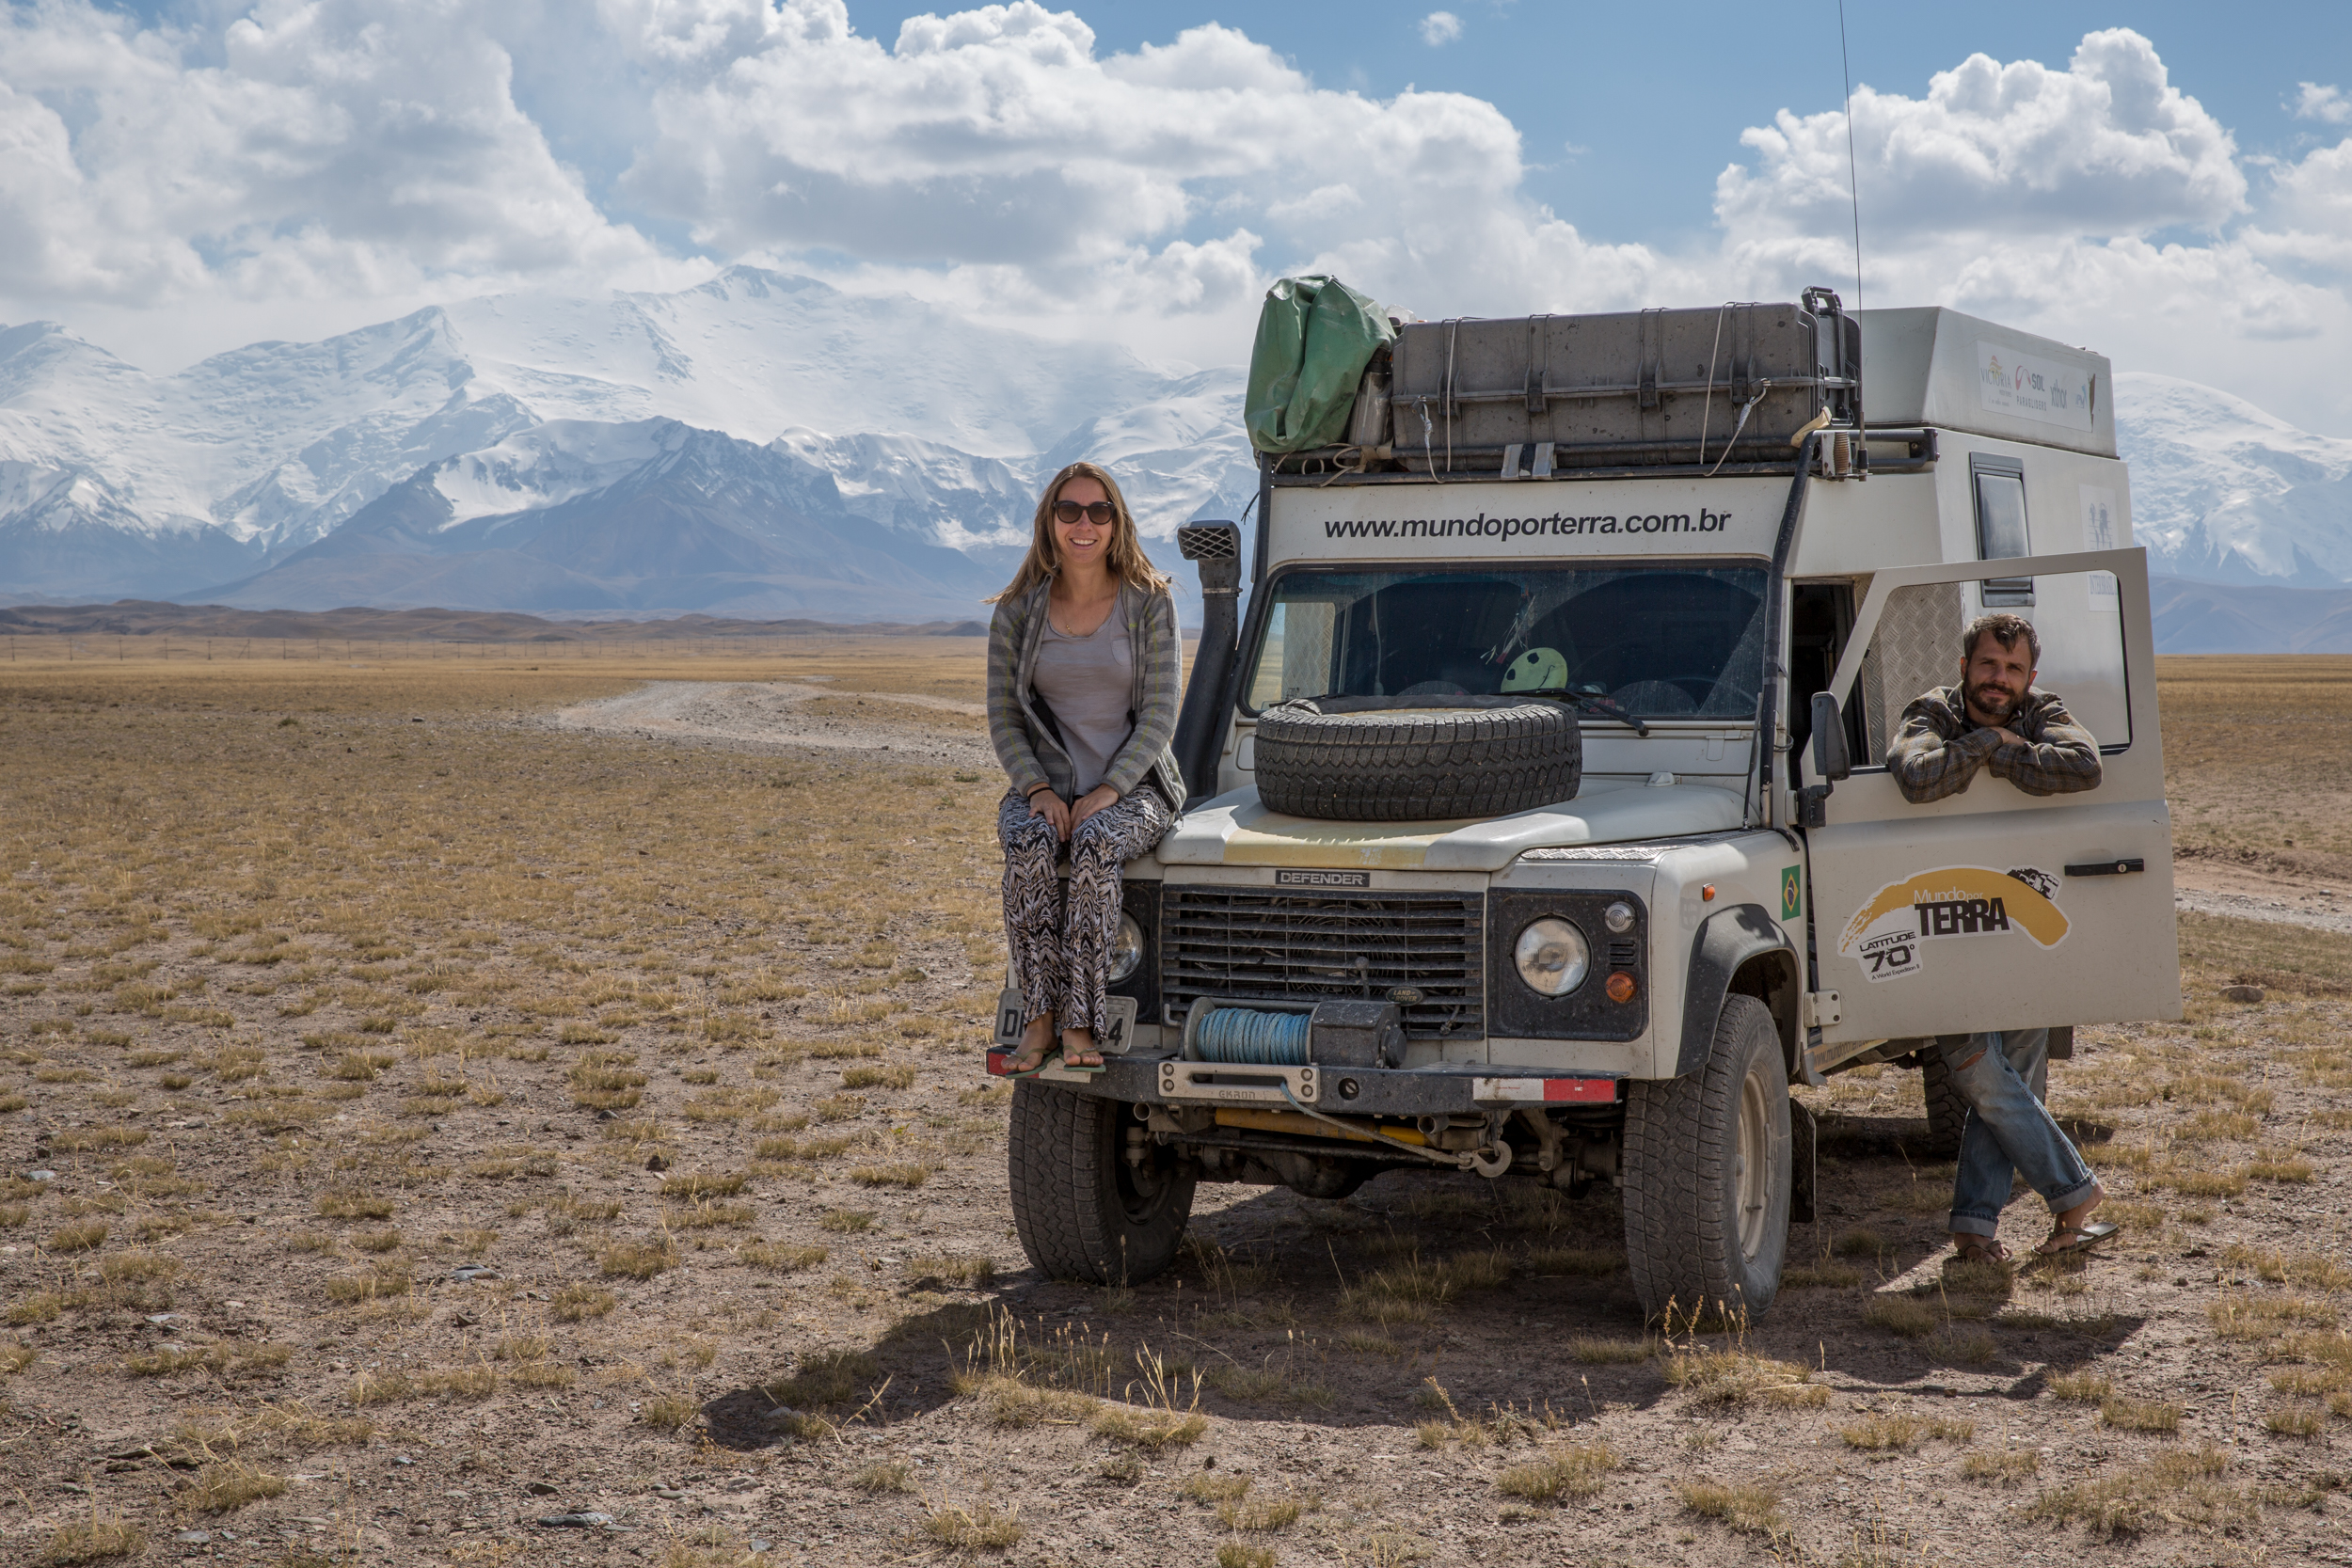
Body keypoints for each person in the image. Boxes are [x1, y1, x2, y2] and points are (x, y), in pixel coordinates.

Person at [1887, 611, 2117, 1264]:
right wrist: (1983, 746)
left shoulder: (2042, 708)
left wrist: (2000, 749)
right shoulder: (1932, 710)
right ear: (1964, 668)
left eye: (2014, 669)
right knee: (1973, 1060)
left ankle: (1974, 1231)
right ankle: (2072, 1192)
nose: (2000, 680)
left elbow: (2085, 765)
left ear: (2031, 676)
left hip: (2020, 917)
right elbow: (1914, 773)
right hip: (1949, 913)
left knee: (2013, 1072)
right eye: (1989, 665)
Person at [986, 461, 1185, 1075]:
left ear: (1116, 522)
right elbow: (1003, 718)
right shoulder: (1019, 612)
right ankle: (1037, 1018)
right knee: (1028, 842)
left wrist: (1109, 788)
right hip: (1045, 785)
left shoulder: (1148, 603)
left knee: (1096, 845)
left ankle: (1079, 1021)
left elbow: (1158, 715)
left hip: (1136, 788)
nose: (1084, 524)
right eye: (1069, 510)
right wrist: (1039, 787)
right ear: (1050, 522)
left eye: (1099, 511)